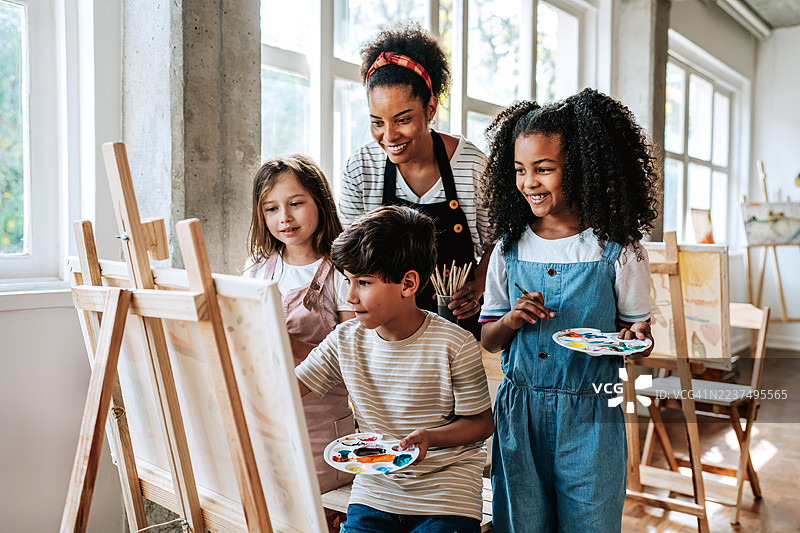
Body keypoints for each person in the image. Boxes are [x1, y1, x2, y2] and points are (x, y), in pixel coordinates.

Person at [478, 89, 659, 532]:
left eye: (544, 169)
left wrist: (636, 342)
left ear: (578, 170)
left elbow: (640, 340)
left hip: (592, 413)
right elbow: (488, 338)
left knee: (591, 522)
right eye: (520, 170)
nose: (529, 182)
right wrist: (510, 320)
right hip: (520, 412)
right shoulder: (507, 247)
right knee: (522, 522)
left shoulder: (618, 250)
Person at [295, 205, 494, 533]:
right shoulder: (345, 339)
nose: (350, 297)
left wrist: (430, 437)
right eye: (348, 281)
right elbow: (290, 387)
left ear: (408, 283)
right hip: (376, 488)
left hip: (445, 493)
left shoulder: (454, 344)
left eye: (364, 283)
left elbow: (482, 424)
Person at [338, 21, 492, 337]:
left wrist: (475, 287)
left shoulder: (473, 167)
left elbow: (500, 244)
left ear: (431, 108)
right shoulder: (361, 168)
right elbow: (351, 261)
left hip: (456, 326)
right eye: (377, 122)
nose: (389, 135)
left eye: (403, 119)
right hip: (385, 330)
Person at [243, 154, 356, 495]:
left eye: (295, 203)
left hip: (322, 428)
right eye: (271, 209)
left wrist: (290, 345)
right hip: (265, 421)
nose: (285, 218)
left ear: (320, 201)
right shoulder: (257, 268)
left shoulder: (341, 273)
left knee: (317, 513)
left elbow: (351, 358)